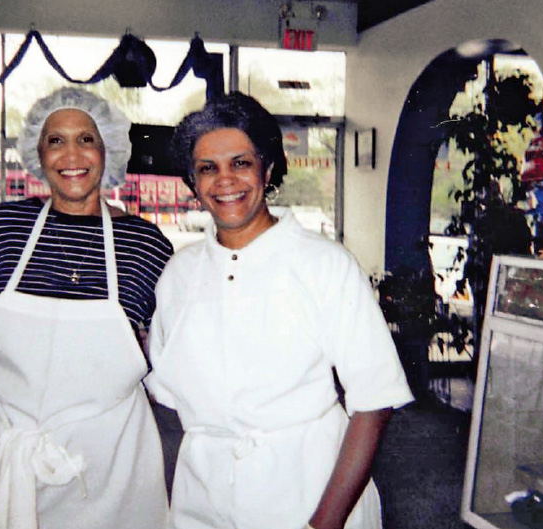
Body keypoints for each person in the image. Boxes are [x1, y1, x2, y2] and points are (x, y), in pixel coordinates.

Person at [146, 92, 414, 529]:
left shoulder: (324, 264)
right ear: (192, 183)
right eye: (207, 169)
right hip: (204, 496)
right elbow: (168, 390)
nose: (225, 180)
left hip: (308, 492)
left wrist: (323, 523)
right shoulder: (179, 274)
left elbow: (374, 402)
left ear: (268, 170)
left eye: (241, 163)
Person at [0, 87, 173, 529]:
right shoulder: (3, 227)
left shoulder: (146, 245)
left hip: (105, 467)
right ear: (38, 153)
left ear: (107, 150)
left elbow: (168, 347)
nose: (72, 154)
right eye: (56, 140)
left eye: (86, 139)